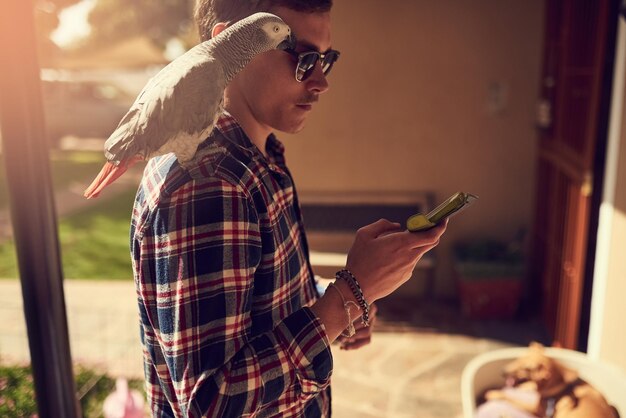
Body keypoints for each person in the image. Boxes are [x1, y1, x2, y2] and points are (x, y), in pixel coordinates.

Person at [130, 0, 447, 416]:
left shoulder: (259, 158)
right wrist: (346, 298)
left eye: (326, 60)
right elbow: (213, 406)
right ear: (228, 42)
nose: (320, 82)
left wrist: (340, 303)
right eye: (302, 59)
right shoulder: (209, 183)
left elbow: (264, 303)